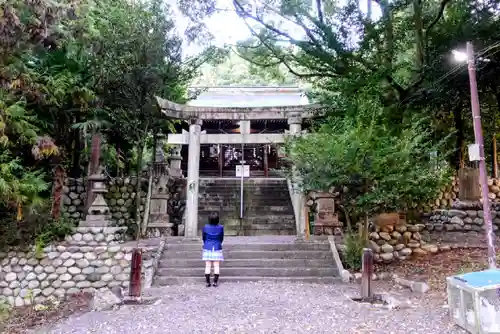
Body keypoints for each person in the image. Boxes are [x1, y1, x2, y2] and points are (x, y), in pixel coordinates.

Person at [202, 212, 224, 287]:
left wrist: (206, 243)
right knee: (216, 265)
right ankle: (215, 282)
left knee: (207, 266)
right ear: (218, 219)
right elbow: (221, 238)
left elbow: (204, 238)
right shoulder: (221, 227)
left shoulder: (205, 227)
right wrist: (218, 243)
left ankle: (208, 282)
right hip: (217, 247)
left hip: (207, 247)